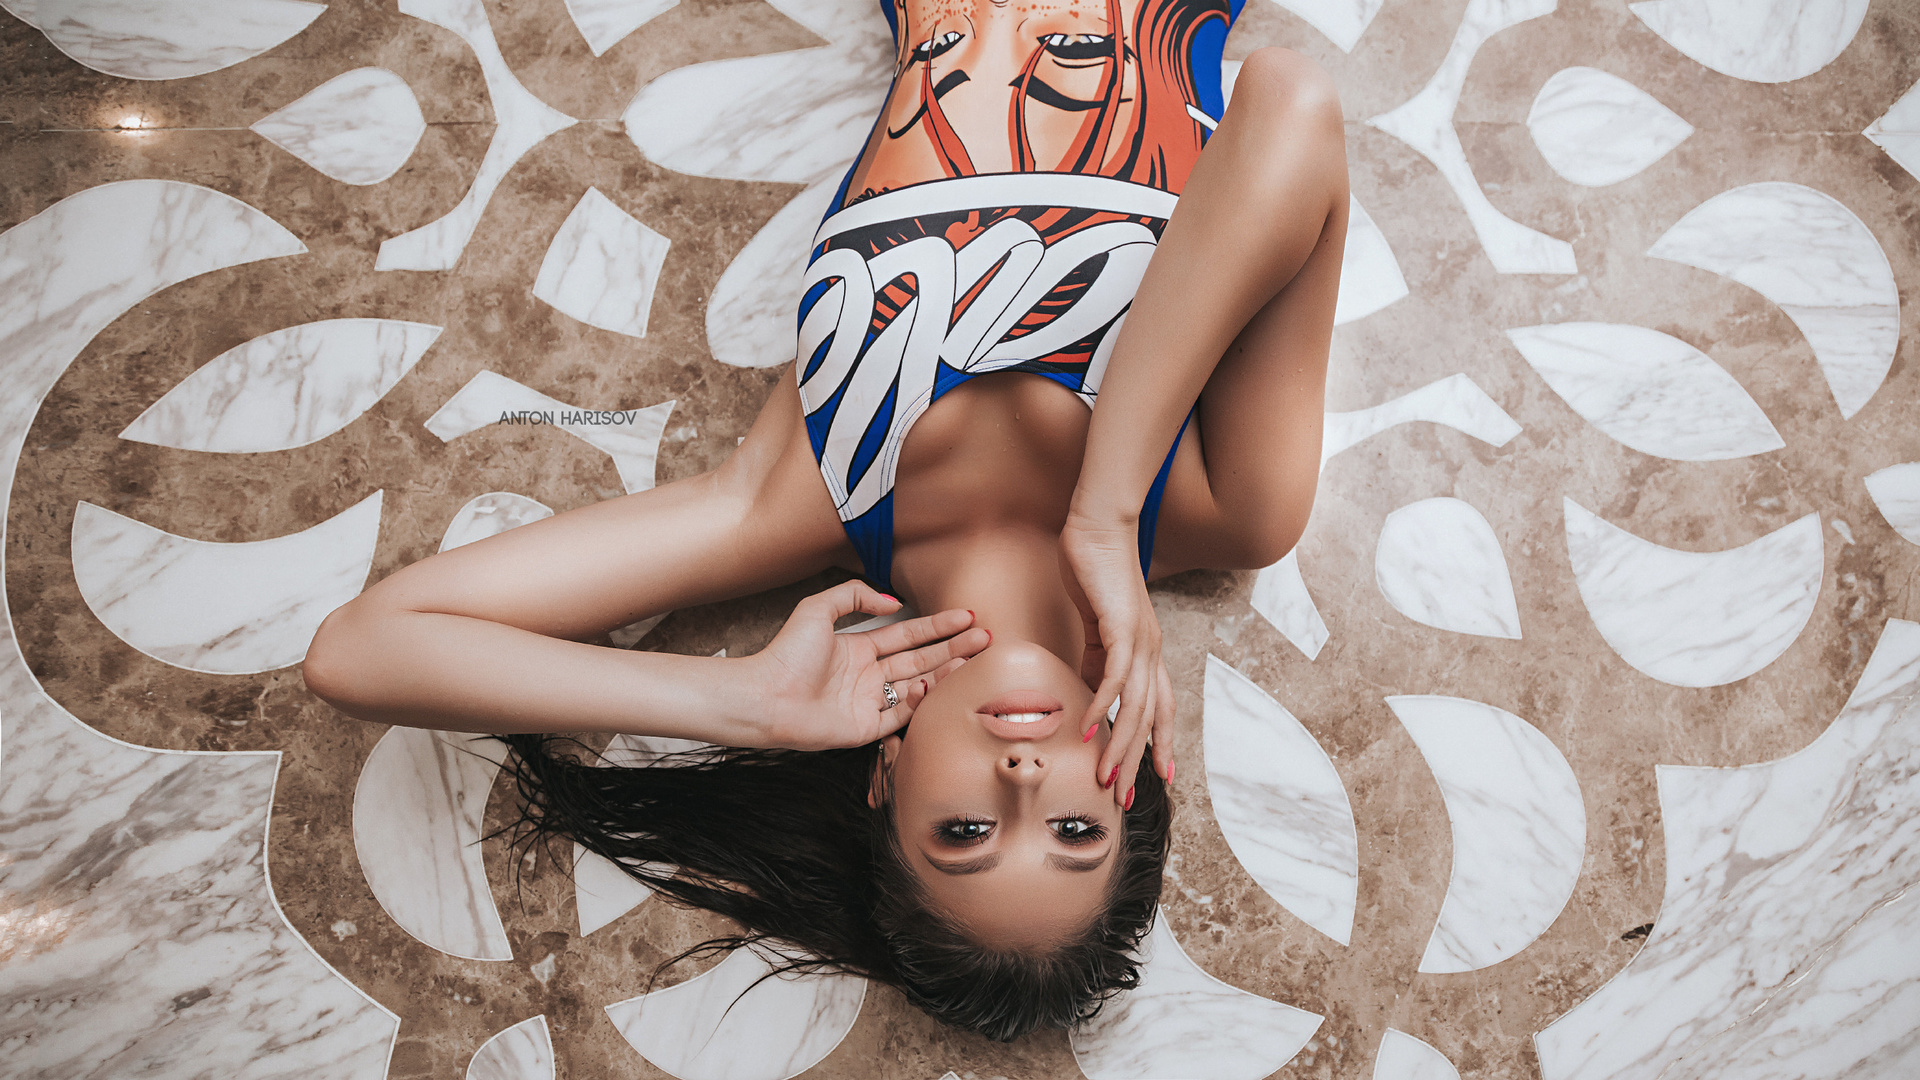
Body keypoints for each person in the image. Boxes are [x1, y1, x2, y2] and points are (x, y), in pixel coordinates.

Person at [303, 0, 1346, 1040]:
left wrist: (743, 702)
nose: (1024, 779)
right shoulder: (1220, 506)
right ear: (1141, 783)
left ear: (886, 781)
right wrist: (1106, 515)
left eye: (968, 829)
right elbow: (1289, 102)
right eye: (1074, 828)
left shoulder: (802, 500)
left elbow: (362, 650)